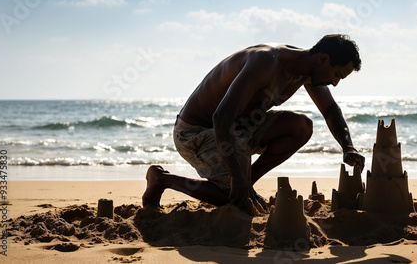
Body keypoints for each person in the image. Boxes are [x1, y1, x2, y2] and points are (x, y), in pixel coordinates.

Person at [142, 34, 365, 215]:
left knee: (302, 127)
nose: (335, 83)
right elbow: (221, 116)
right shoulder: (267, 62)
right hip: (197, 131)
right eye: (336, 75)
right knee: (235, 198)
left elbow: (330, 110)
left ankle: (244, 184)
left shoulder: (307, 72)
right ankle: (162, 179)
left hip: (240, 129)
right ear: (323, 59)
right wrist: (235, 173)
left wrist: (348, 147)